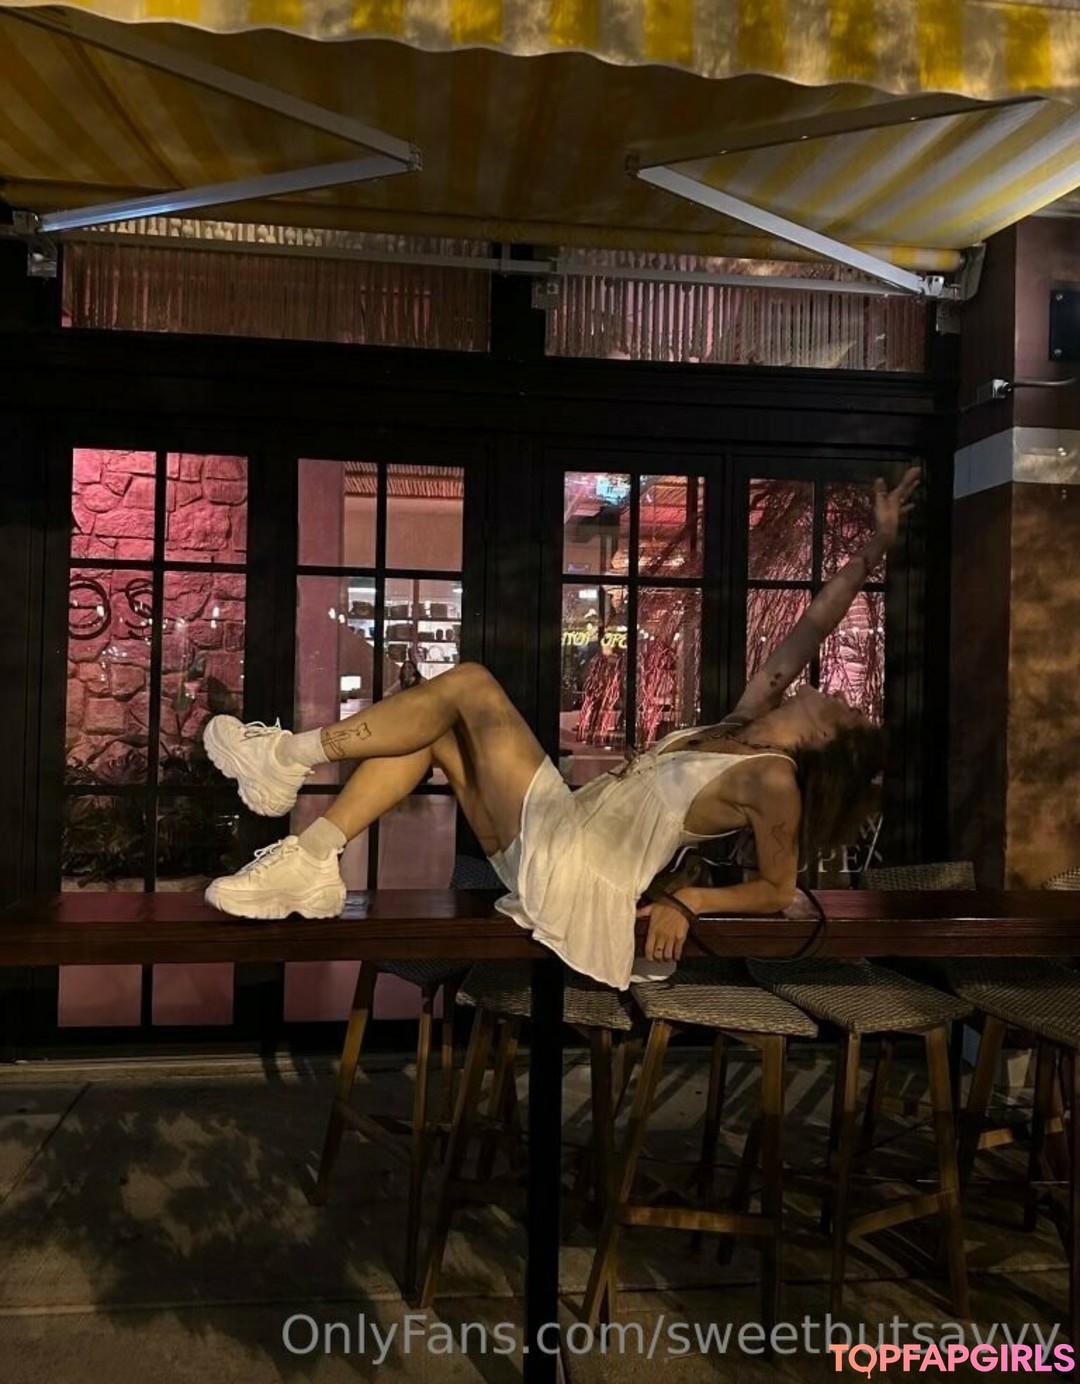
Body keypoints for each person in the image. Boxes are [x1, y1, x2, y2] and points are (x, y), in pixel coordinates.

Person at [202, 468, 919, 991]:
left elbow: (776, 888)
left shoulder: (774, 780)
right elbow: (810, 626)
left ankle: (288, 757)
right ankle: (313, 857)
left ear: (822, 742)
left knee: (470, 684)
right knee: (436, 728)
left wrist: (687, 899)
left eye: (839, 711)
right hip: (559, 838)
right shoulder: (739, 728)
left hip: (575, 861)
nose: (830, 691)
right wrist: (875, 550)